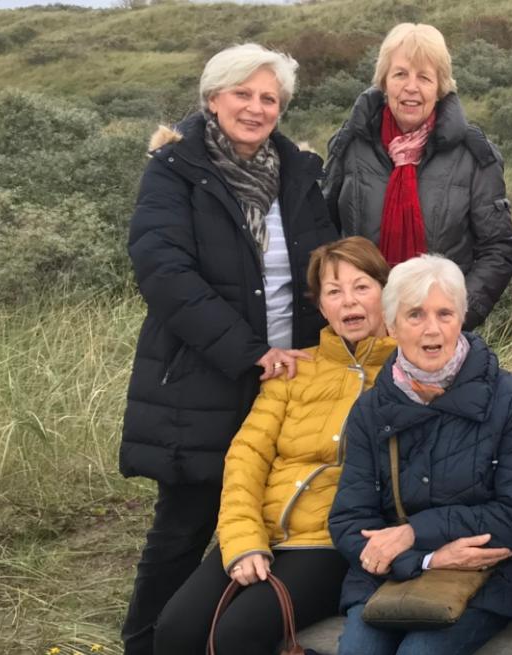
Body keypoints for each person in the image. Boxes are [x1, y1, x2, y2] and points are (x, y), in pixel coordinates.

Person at [119, 43, 340, 655]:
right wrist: (249, 351)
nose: (256, 107)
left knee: (264, 511)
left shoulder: (297, 171)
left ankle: (223, 637)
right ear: (213, 98)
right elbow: (163, 270)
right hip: (201, 376)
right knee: (185, 525)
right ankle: (145, 643)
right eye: (243, 94)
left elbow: (323, 264)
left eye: (269, 98)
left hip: (288, 376)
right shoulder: (174, 170)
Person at [152, 237, 397, 654]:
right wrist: (244, 540)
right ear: (321, 307)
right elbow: (248, 457)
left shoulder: (403, 375)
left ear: (385, 293)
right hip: (262, 532)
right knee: (174, 631)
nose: (348, 302)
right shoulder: (296, 371)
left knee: (237, 636)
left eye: (361, 287)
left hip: (330, 545)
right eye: (333, 292)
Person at [329, 254, 512, 654]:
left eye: (445, 313)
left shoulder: (510, 399)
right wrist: (426, 560)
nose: (433, 330)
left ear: (461, 319)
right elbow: (349, 520)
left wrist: (414, 533)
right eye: (415, 315)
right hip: (392, 576)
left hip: (485, 575)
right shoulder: (371, 409)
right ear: (391, 326)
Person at [325, 23, 512, 330]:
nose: (411, 87)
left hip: (437, 335)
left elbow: (498, 249)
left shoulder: (475, 155)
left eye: (424, 77)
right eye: (400, 74)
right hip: (362, 328)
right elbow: (324, 233)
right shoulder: (350, 145)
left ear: (440, 87)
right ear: (384, 82)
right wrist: (342, 306)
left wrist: (453, 317)